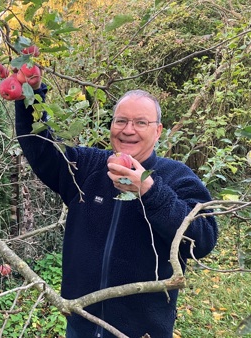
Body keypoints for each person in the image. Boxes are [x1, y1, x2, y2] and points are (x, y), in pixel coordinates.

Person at [14, 82, 218, 338]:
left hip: (142, 332)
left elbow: (203, 240)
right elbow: (40, 147)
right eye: (121, 121)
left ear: (158, 131)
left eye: (141, 123)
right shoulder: (87, 167)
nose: (128, 130)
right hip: (81, 323)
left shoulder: (178, 178)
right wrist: (28, 94)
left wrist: (150, 191)